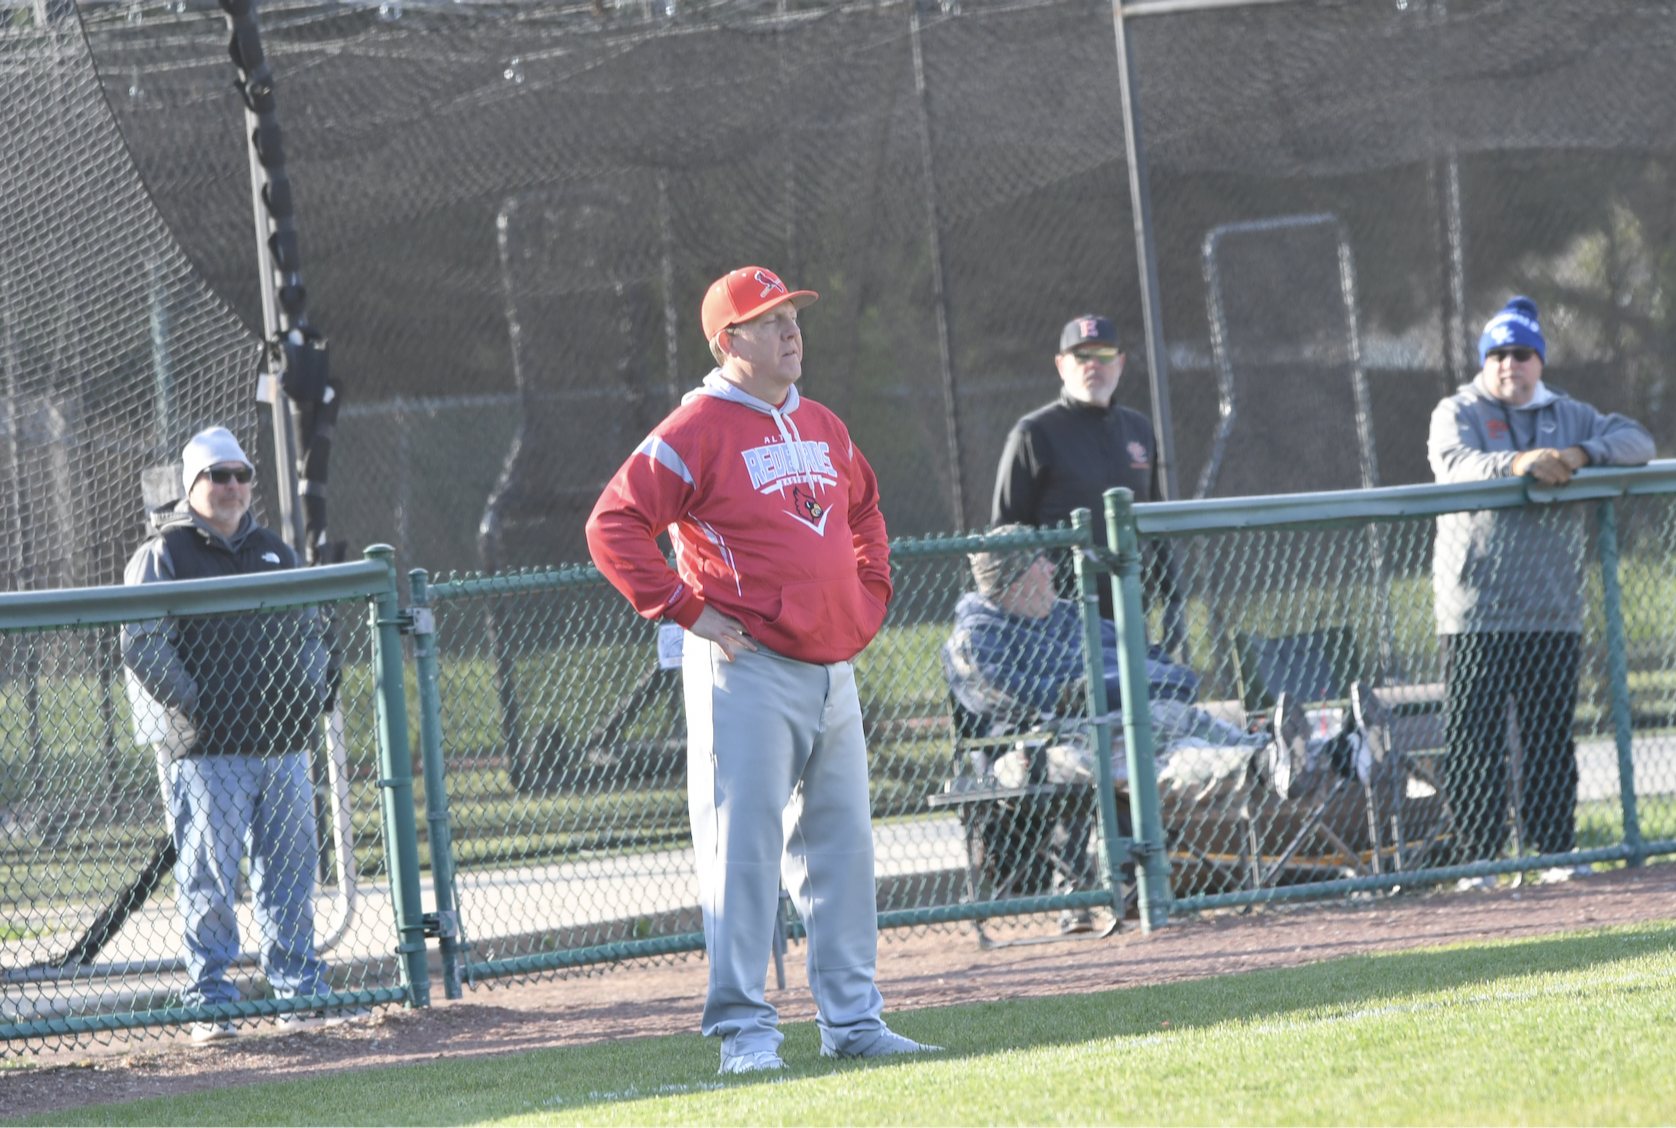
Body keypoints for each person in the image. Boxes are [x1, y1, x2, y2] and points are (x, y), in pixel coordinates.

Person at [585, 266, 940, 1075]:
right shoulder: (696, 426)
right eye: (767, 319)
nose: (789, 331)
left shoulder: (821, 422)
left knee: (843, 854)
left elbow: (865, 510)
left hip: (830, 670)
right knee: (741, 856)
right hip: (744, 670)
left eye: (792, 316)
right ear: (727, 341)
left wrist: (868, 593)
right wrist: (683, 608)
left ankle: (853, 1022)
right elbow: (614, 526)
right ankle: (745, 1034)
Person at [944, 528, 1392, 925]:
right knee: (1163, 761)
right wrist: (1094, 690)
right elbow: (1011, 697)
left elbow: (1152, 662)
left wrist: (1124, 686)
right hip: (1042, 749)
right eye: (1040, 562)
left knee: (1192, 723)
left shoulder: (1065, 616)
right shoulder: (978, 635)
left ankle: (1332, 752)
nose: (1051, 567)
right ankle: (1279, 761)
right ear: (1014, 582)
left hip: (1135, 716)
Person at [1429, 296, 1655, 886]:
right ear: (1486, 361)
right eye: (1498, 354)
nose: (1510, 365)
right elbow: (1452, 464)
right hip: (1475, 611)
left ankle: (1555, 852)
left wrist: (1582, 454)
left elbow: (1639, 442)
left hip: (1552, 610)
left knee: (1550, 738)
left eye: (1522, 354)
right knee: (1472, 740)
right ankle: (1479, 861)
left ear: (1540, 361)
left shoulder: (1572, 414)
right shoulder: (1458, 410)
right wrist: (1518, 463)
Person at [121, 426, 332, 1044]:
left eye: (242, 475)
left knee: (291, 873)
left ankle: (299, 993)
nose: (235, 486)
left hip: (284, 744)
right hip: (210, 750)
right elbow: (141, 642)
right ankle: (210, 1001)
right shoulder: (164, 553)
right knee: (210, 878)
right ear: (192, 486)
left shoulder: (274, 548)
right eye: (219, 476)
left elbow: (311, 630)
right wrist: (199, 704)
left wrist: (307, 692)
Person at [990, 314, 1182, 644]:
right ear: (1061, 365)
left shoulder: (1139, 430)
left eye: (1104, 354)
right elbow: (1004, 533)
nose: (1093, 364)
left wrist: (1174, 599)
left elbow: (1154, 522)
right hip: (1059, 622)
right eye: (1081, 355)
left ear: (1120, 363)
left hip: (1130, 613)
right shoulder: (1033, 434)